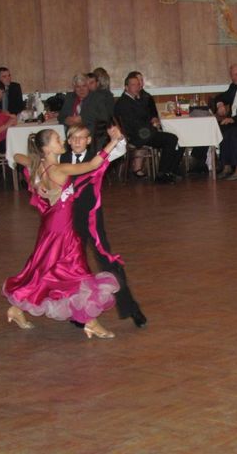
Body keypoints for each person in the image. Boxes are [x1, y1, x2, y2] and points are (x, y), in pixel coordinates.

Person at [5, 126, 125, 339]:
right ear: (47, 148)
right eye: (56, 140)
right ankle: (90, 322)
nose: (61, 141)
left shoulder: (39, 164)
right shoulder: (59, 169)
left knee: (46, 269)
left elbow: (17, 156)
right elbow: (93, 164)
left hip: (52, 226)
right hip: (61, 229)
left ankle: (17, 308)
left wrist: (36, 178)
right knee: (74, 270)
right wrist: (113, 141)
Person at [59, 124, 147, 328]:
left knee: (108, 262)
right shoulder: (61, 159)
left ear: (89, 140)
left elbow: (119, 150)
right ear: (68, 141)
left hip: (92, 220)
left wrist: (118, 138)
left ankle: (131, 308)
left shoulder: (97, 157)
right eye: (73, 138)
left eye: (82, 137)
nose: (77, 141)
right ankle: (78, 312)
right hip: (69, 220)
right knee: (74, 265)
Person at [114, 71, 183, 184]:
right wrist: (153, 127)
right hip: (137, 136)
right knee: (171, 139)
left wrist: (152, 122)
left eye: (138, 84)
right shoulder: (124, 103)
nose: (137, 87)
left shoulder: (133, 100)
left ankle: (168, 171)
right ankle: (162, 174)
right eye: (133, 85)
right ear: (126, 87)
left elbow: (143, 118)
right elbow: (134, 125)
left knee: (173, 137)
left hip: (142, 133)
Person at [190, 63, 237, 173]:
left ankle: (224, 165)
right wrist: (220, 104)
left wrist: (233, 119)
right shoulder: (233, 86)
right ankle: (200, 161)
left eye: (236, 74)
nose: (233, 78)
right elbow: (220, 97)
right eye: (232, 75)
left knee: (221, 130)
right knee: (209, 127)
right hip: (232, 120)